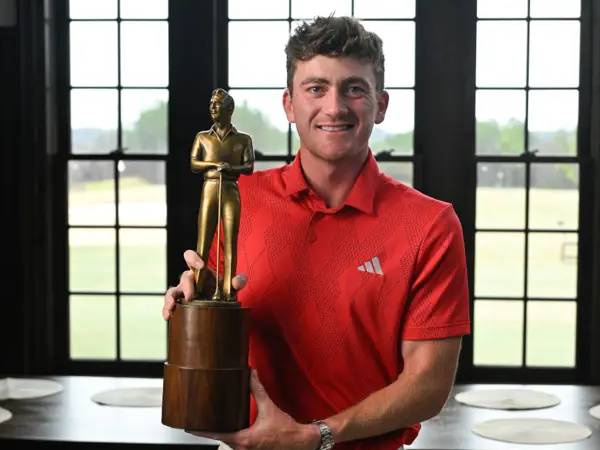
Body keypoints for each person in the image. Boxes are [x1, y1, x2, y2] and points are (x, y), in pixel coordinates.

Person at [163, 16, 470, 450]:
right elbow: (222, 314)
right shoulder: (243, 197)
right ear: (289, 105)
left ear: (381, 104)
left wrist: (315, 437)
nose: (335, 107)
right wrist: (194, 296)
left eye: (354, 89)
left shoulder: (431, 225)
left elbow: (429, 384)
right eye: (316, 88)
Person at [190, 88, 254, 301]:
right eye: (211, 104)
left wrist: (230, 169)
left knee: (230, 240)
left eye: (217, 104)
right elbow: (193, 163)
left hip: (230, 188)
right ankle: (198, 288)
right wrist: (213, 165)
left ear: (230, 109)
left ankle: (227, 291)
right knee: (203, 240)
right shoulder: (202, 137)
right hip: (209, 187)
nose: (213, 108)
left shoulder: (243, 139)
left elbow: (249, 166)